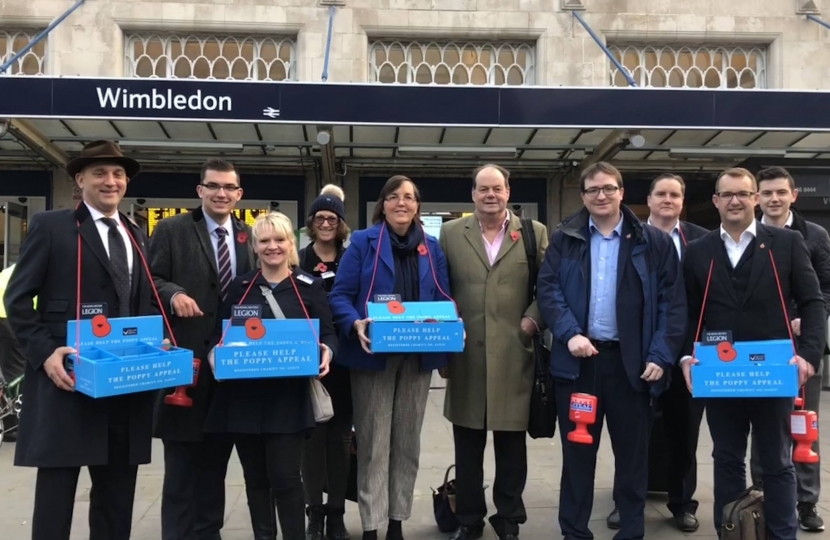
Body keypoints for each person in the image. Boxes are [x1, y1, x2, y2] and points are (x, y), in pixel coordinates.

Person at [4, 140, 159, 540]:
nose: (111, 181)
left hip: (124, 387)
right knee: (56, 498)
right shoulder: (52, 226)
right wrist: (44, 354)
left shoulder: (136, 233)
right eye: (100, 173)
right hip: (67, 383)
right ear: (80, 179)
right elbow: (17, 298)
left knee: (116, 500)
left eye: (118, 174)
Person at [537, 161, 687, 540]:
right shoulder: (565, 237)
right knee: (577, 459)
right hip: (579, 365)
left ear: (622, 192)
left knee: (633, 460)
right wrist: (569, 333)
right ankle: (574, 532)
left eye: (608, 188)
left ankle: (631, 533)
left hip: (631, 367)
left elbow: (672, 304)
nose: (600, 196)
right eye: (592, 190)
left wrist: (659, 355)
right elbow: (549, 289)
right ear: (583, 196)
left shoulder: (653, 242)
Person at [680, 167, 826, 540]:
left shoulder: (786, 243)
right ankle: (731, 531)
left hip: (772, 373)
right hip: (720, 375)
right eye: (727, 194)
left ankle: (782, 533)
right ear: (715, 201)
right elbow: (687, 312)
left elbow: (811, 301)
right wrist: (685, 358)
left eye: (743, 194)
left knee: (777, 462)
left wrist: (808, 355)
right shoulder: (699, 252)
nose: (735, 201)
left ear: (755, 199)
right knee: (726, 459)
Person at [329, 175, 452, 540]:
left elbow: (445, 297)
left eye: (410, 197)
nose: (403, 203)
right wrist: (356, 324)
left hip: (417, 357)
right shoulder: (363, 244)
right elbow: (340, 295)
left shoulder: (431, 247)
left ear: (417, 206)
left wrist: (448, 325)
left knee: (407, 444)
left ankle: (397, 520)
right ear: (382, 204)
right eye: (395, 197)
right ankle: (371, 525)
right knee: (373, 442)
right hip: (372, 358)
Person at [148, 158, 262, 540]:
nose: (221, 193)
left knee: (215, 467)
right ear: (200, 191)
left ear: (239, 194)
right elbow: (151, 281)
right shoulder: (172, 229)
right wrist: (174, 292)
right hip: (186, 365)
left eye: (229, 187)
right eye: (213, 186)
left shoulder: (250, 236)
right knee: (181, 469)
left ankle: (208, 532)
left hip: (232, 370)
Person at [205, 211, 336, 540]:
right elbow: (221, 337)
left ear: (291, 244)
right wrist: (214, 358)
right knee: (256, 481)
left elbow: (329, 334)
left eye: (279, 239)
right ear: (255, 245)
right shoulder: (240, 287)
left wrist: (326, 352)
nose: (272, 247)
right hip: (244, 401)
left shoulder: (309, 286)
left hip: (288, 401)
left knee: (286, 479)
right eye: (264, 240)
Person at [439, 164, 548, 540]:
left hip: (515, 354)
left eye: (497, 188)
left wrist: (531, 322)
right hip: (466, 355)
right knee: (467, 445)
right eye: (483, 189)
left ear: (507, 191)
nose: (490, 195)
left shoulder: (533, 234)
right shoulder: (451, 234)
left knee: (511, 446)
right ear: (472, 194)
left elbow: (548, 288)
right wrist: (443, 342)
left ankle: (508, 519)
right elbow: (439, 288)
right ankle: (469, 519)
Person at [606, 173, 708, 533]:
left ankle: (682, 502)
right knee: (631, 435)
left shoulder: (701, 241)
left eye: (675, 195)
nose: (668, 199)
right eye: (661, 194)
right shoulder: (628, 235)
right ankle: (626, 502)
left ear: (682, 202)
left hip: (687, 356)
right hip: (638, 353)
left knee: (685, 431)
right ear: (648, 200)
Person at [748, 166, 830, 532]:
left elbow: (825, 289)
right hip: (760, 349)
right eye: (767, 193)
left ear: (794, 195)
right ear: (757, 198)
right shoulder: (747, 235)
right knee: (760, 421)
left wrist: (807, 320)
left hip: (801, 350)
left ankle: (806, 501)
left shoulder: (815, 236)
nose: (774, 199)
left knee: (803, 425)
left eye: (781, 192)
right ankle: (760, 492)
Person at [299, 184, 353, 540]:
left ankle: (337, 513)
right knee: (312, 443)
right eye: (320, 217)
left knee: (340, 441)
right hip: (308, 361)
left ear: (341, 223)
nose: (326, 223)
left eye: (332, 218)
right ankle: (313, 513)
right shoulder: (298, 259)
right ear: (311, 222)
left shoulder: (352, 257)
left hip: (345, 360)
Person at [0, 263, 35, 443]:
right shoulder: (34, 266)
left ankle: (7, 419)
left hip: (4, 315)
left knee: (7, 367)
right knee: (19, 371)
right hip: (8, 316)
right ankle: (15, 425)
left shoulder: (10, 269)